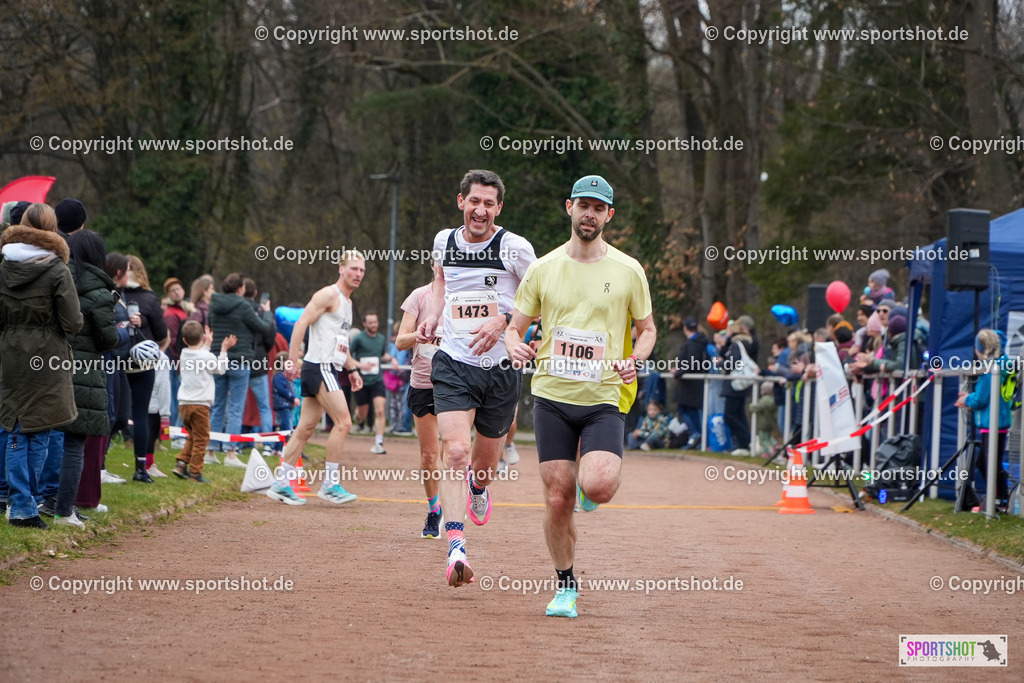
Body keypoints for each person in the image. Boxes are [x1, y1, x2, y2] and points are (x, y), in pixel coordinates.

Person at [505, 174, 655, 618]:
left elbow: (646, 331)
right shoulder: (543, 268)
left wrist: (637, 359)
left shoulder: (629, 271)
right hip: (552, 395)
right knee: (557, 498)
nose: (589, 214)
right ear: (568, 207)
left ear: (609, 215)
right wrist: (515, 343)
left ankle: (591, 487)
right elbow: (516, 326)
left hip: (604, 397)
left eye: (598, 207)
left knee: (599, 485)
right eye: (583, 205)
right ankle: (566, 585)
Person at [416, 169, 537, 587]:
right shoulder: (443, 241)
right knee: (454, 452)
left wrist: (504, 321)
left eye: (489, 203)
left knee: (483, 466)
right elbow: (440, 280)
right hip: (452, 361)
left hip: (500, 370)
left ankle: (479, 489)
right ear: (460, 202)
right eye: (474, 201)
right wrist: (433, 312)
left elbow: (541, 297)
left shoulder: (515, 248)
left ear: (498, 208)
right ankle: (455, 547)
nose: (480, 210)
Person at [0, 204, 84, 528]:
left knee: (16, 427)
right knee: (42, 429)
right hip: (47, 356)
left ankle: (19, 503)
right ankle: (27, 504)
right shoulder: (57, 269)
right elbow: (73, 322)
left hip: (10, 354)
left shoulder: (3, 265)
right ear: (51, 229)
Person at [267, 250, 366, 505]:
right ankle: (330, 485)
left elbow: (340, 345)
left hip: (328, 367)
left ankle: (280, 483)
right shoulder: (328, 295)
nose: (358, 274)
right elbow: (301, 324)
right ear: (341, 269)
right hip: (319, 367)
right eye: (353, 268)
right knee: (343, 422)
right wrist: (291, 359)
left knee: (305, 428)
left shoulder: (347, 303)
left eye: (362, 270)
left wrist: (352, 369)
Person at [208, 273, 275, 467]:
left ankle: (211, 451)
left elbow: (212, 326)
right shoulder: (244, 305)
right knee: (236, 407)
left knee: (218, 405)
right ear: (241, 289)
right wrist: (267, 312)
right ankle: (230, 453)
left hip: (219, 358)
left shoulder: (214, 303)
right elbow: (263, 327)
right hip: (240, 360)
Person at [397, 280, 445, 537]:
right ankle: (434, 510)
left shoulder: (465, 296)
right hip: (423, 384)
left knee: (455, 452)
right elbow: (400, 342)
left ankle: (455, 509)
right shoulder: (419, 296)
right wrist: (421, 334)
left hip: (456, 385)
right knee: (429, 456)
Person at [955, 329, 1012, 512]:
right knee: (986, 463)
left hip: (992, 423)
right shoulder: (1002, 364)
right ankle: (998, 500)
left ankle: (999, 502)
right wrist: (972, 397)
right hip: (996, 422)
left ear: (981, 349)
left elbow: (981, 399)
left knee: (990, 465)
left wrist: (967, 399)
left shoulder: (989, 370)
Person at [173, 321, 235, 482]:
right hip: (200, 404)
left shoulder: (184, 353)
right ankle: (195, 473)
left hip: (184, 404)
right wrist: (224, 350)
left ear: (184, 340)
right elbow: (220, 368)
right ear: (201, 337)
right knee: (202, 439)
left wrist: (206, 344)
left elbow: (201, 357)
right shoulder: (206, 356)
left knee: (193, 436)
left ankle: (181, 464)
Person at [350, 312, 392, 453]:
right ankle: (357, 416)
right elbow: (347, 356)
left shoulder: (381, 338)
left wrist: (392, 359)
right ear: (365, 324)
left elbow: (383, 355)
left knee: (380, 410)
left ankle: (379, 442)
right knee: (362, 415)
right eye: (371, 322)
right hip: (361, 380)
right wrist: (360, 366)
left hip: (377, 380)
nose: (374, 325)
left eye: (375, 322)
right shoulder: (358, 339)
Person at [719, 318, 756, 455]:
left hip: (735, 385)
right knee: (739, 414)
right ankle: (745, 444)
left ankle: (746, 440)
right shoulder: (748, 342)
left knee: (729, 415)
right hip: (742, 385)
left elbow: (733, 362)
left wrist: (721, 364)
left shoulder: (738, 344)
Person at [672, 316, 709, 449]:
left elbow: (692, 363)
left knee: (684, 409)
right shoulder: (701, 341)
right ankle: (699, 438)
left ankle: (696, 434)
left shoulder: (693, 343)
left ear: (685, 328)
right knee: (690, 410)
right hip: (693, 383)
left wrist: (678, 372)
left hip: (691, 384)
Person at [272, 352, 300, 453]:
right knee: (286, 428)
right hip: (282, 405)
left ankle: (280, 448)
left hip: (286, 406)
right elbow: (282, 390)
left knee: (286, 427)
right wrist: (293, 398)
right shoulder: (279, 376)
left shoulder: (285, 376)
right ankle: (279, 449)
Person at [748, 381, 780, 455]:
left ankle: (766, 452)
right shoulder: (774, 400)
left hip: (764, 424)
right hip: (772, 423)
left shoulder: (764, 400)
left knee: (763, 439)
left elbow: (758, 407)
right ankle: (775, 445)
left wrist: (751, 406)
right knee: (769, 436)